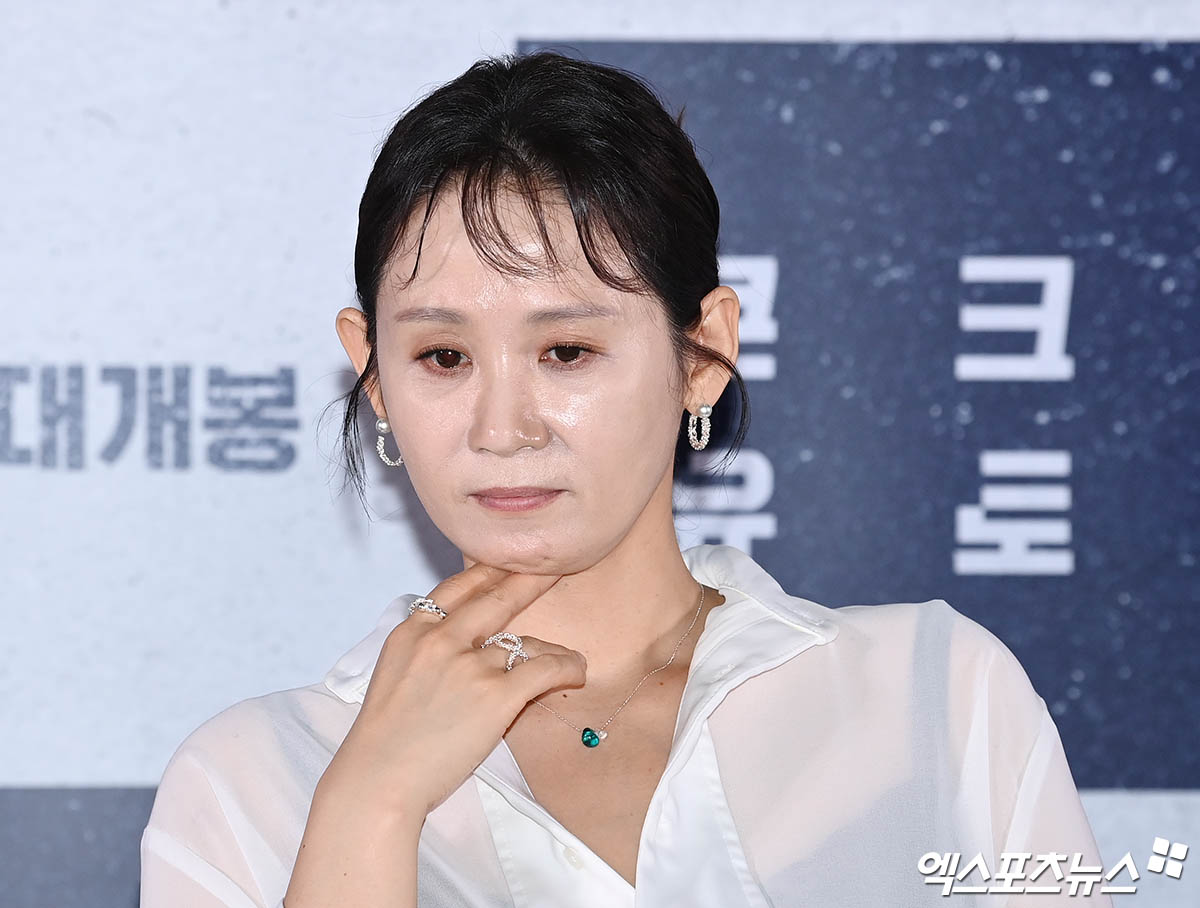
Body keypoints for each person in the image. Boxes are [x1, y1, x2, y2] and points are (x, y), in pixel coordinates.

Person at [139, 51, 1112, 907]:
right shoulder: (254, 780)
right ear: (374, 373)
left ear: (703, 352)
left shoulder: (935, 693)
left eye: (566, 350)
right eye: (443, 357)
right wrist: (371, 803)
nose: (503, 427)